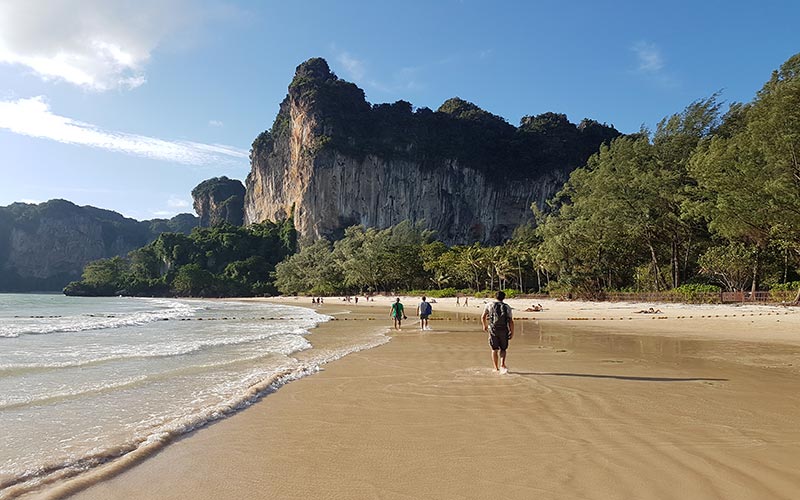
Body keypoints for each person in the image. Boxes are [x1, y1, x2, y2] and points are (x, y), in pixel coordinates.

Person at [481, 291, 514, 374]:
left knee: (494, 349)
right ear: (504, 298)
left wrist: (484, 325)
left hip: (493, 329)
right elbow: (510, 321)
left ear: (495, 297)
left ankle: (496, 368)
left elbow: (483, 316)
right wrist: (512, 332)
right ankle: (502, 364)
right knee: (503, 349)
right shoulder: (507, 307)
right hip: (504, 330)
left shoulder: (489, 305)